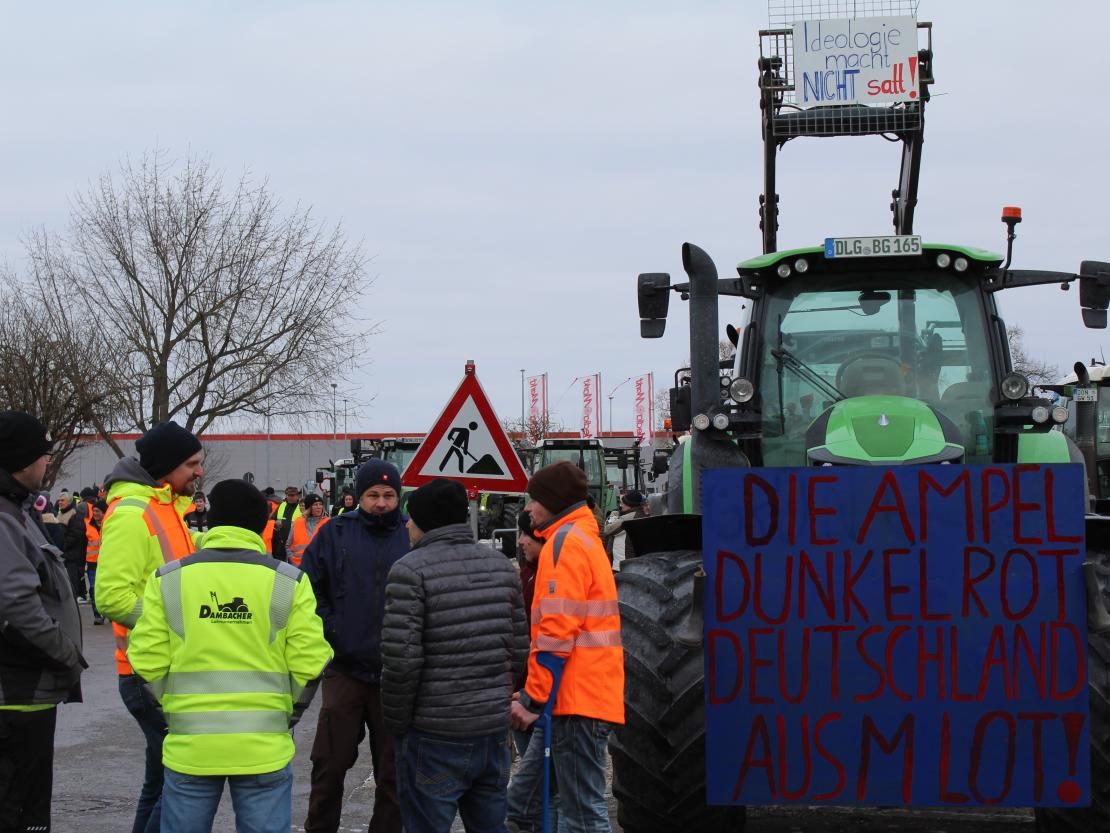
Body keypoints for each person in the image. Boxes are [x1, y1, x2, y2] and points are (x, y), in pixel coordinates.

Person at [127, 478, 332, 833]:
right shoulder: (288, 581)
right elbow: (310, 662)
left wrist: (173, 711)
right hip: (263, 746)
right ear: (260, 525)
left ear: (210, 521)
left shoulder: (169, 579)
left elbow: (145, 659)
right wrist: (288, 714)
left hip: (190, 745)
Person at [381, 478, 528, 833]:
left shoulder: (410, 570)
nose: (407, 525)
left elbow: (401, 662)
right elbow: (520, 650)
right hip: (491, 731)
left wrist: (398, 726)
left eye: (411, 518)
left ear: (425, 521)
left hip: (433, 734)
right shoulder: (501, 568)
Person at [97, 420, 203, 833]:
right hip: (146, 672)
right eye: (192, 463)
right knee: (181, 781)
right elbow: (110, 597)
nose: (199, 472)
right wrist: (176, 623)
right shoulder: (132, 514)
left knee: (159, 783)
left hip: (159, 668)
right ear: (166, 466)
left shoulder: (166, 508)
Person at [507, 461, 625, 833]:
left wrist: (532, 698)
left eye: (534, 500)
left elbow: (557, 631)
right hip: (582, 695)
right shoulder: (582, 539)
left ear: (553, 501)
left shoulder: (565, 543)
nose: (528, 508)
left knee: (581, 814)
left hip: (576, 697)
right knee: (544, 806)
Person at [301, 460, 408, 833]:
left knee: (394, 774)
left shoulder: (411, 536)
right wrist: (332, 630)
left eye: (389, 495)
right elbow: (309, 589)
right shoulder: (335, 533)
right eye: (373, 495)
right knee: (328, 767)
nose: (381, 503)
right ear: (358, 497)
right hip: (344, 669)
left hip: (396, 676)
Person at [0, 411, 86, 831]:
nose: (47, 462)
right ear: (20, 459)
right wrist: (65, 654)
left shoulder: (16, 511)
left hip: (23, 691)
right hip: (16, 695)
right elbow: (15, 606)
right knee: (22, 817)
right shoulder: (4, 517)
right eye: (44, 454)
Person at [602, 489, 649, 570]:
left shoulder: (628, 518)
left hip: (622, 566)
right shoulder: (638, 515)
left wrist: (613, 514)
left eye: (622, 503)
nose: (620, 506)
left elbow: (608, 529)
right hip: (627, 564)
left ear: (629, 505)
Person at [60, 488, 89, 602]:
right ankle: (79, 594)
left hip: (75, 551)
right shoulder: (65, 513)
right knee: (74, 572)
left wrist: (64, 543)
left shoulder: (74, 513)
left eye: (62, 500)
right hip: (70, 551)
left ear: (68, 501)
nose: (60, 502)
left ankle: (78, 594)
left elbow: (77, 532)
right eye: (59, 500)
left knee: (75, 573)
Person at [288, 493, 329, 567]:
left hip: (321, 567)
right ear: (309, 508)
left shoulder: (328, 522)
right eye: (315, 505)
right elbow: (287, 546)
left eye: (320, 504)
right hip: (299, 566)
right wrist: (293, 562)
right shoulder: (298, 522)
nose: (319, 507)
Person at [85, 499, 108, 625]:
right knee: (94, 590)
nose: (95, 513)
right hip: (92, 564)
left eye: (98, 511)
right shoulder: (88, 525)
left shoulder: (110, 524)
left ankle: (109, 611)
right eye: (94, 511)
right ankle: (98, 615)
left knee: (107, 589)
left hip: (108, 563)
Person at [266, 485, 303, 561]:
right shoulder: (281, 506)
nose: (291, 497)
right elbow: (271, 520)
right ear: (286, 495)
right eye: (289, 495)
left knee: (294, 563)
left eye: (293, 495)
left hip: (295, 541)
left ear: (297, 496)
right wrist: (275, 522)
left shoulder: (302, 506)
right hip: (280, 541)